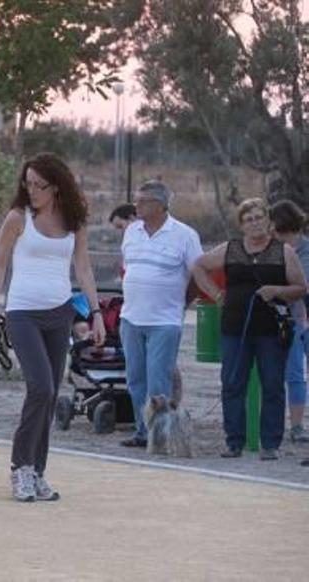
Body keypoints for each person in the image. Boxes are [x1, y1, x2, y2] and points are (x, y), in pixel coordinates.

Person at [0, 153, 103, 502]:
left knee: (51, 396)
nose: (32, 190)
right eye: (28, 183)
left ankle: (37, 471)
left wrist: (96, 312)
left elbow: (83, 268)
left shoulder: (73, 220)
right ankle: (19, 468)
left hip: (60, 313)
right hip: (23, 313)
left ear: (56, 186)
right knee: (39, 388)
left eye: (40, 185)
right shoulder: (18, 218)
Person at [192, 198, 306, 460]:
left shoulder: (284, 251)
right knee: (232, 384)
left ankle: (270, 444)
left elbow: (301, 288)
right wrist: (216, 295)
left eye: (258, 217)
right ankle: (234, 442)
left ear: (268, 220)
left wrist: (277, 290)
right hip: (235, 328)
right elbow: (198, 266)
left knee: (273, 385)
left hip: (271, 330)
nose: (254, 223)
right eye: (248, 219)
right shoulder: (230, 248)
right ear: (242, 225)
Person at [117, 180, 203, 448]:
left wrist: (181, 304)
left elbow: (198, 274)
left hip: (164, 321)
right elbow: (127, 268)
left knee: (157, 381)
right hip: (131, 317)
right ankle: (143, 431)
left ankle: (160, 436)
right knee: (135, 379)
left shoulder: (185, 234)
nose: (136, 205)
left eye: (141, 201)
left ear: (160, 204)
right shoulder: (131, 231)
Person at [267, 200, 309, 444]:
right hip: (286, 320)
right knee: (291, 373)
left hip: (303, 318)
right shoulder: (274, 250)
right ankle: (291, 426)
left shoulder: (304, 250)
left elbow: (300, 285)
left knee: (296, 375)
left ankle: (297, 426)